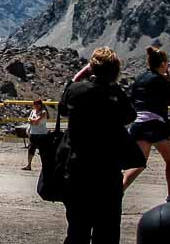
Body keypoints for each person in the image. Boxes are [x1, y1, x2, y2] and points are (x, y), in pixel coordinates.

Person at [59, 47, 138, 244]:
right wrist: (113, 85)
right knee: (108, 232)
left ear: (91, 68)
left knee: (77, 230)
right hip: (107, 172)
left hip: (78, 170)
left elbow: (62, 108)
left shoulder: (76, 91)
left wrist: (78, 76)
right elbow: (130, 115)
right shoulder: (115, 95)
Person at [122, 46, 170, 201]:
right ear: (162, 64)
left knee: (139, 164)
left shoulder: (140, 78)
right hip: (157, 125)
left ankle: (117, 191)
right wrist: (168, 81)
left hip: (139, 125)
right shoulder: (161, 80)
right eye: (166, 62)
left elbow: (132, 99)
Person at [22, 99, 49, 171]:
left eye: (37, 104)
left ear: (41, 104)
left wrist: (33, 121)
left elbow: (37, 120)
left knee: (42, 151)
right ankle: (28, 165)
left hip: (41, 134)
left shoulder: (43, 112)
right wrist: (33, 121)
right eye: (35, 104)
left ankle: (45, 166)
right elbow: (30, 120)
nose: (36, 106)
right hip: (33, 133)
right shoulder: (33, 111)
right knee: (31, 149)